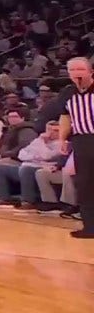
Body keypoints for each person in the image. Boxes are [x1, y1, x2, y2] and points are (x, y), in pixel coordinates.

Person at [56, 56, 94, 238]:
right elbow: (65, 117)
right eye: (72, 70)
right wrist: (62, 139)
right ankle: (90, 227)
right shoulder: (67, 93)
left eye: (80, 69)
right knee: (84, 184)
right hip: (81, 140)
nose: (76, 74)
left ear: (90, 72)